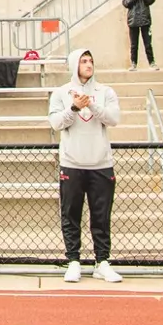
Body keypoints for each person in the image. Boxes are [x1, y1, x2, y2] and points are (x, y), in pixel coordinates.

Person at [48, 48, 122, 284]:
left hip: (101, 163)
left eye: (91, 60)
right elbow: (56, 123)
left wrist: (92, 105)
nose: (88, 64)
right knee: (71, 214)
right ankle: (73, 261)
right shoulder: (61, 93)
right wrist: (74, 108)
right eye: (83, 61)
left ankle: (102, 261)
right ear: (74, 65)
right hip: (72, 162)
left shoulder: (105, 91)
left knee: (101, 216)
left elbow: (113, 119)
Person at [120, 0, 155, 70]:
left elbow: (151, 0)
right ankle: (133, 63)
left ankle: (152, 62)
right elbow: (126, 3)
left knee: (148, 44)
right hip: (133, 21)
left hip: (145, 21)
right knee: (134, 45)